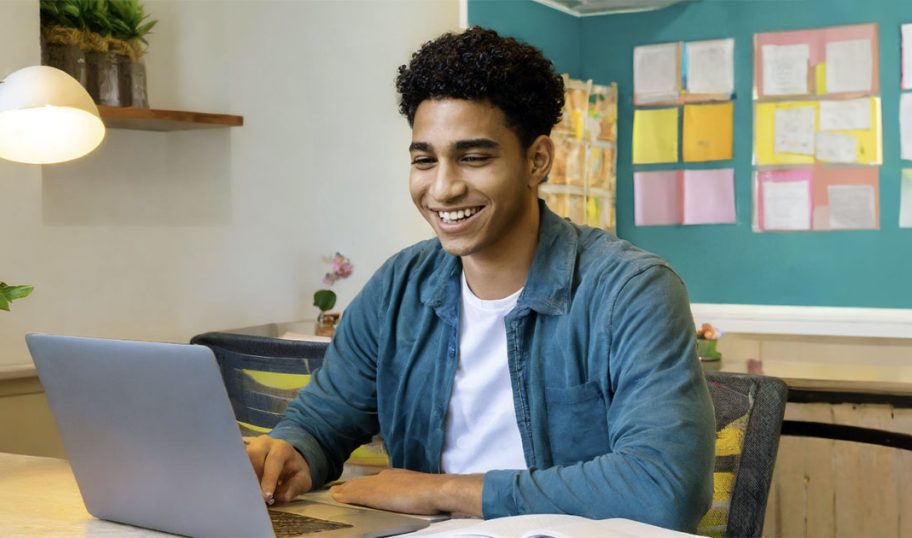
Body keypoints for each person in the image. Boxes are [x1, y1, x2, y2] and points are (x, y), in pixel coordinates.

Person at [246, 27, 715, 533]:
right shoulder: (398, 286)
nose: (443, 188)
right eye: (425, 160)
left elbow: (664, 488)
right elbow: (322, 421)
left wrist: (440, 491)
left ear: (536, 161)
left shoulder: (632, 291)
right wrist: (289, 453)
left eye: (473, 158)